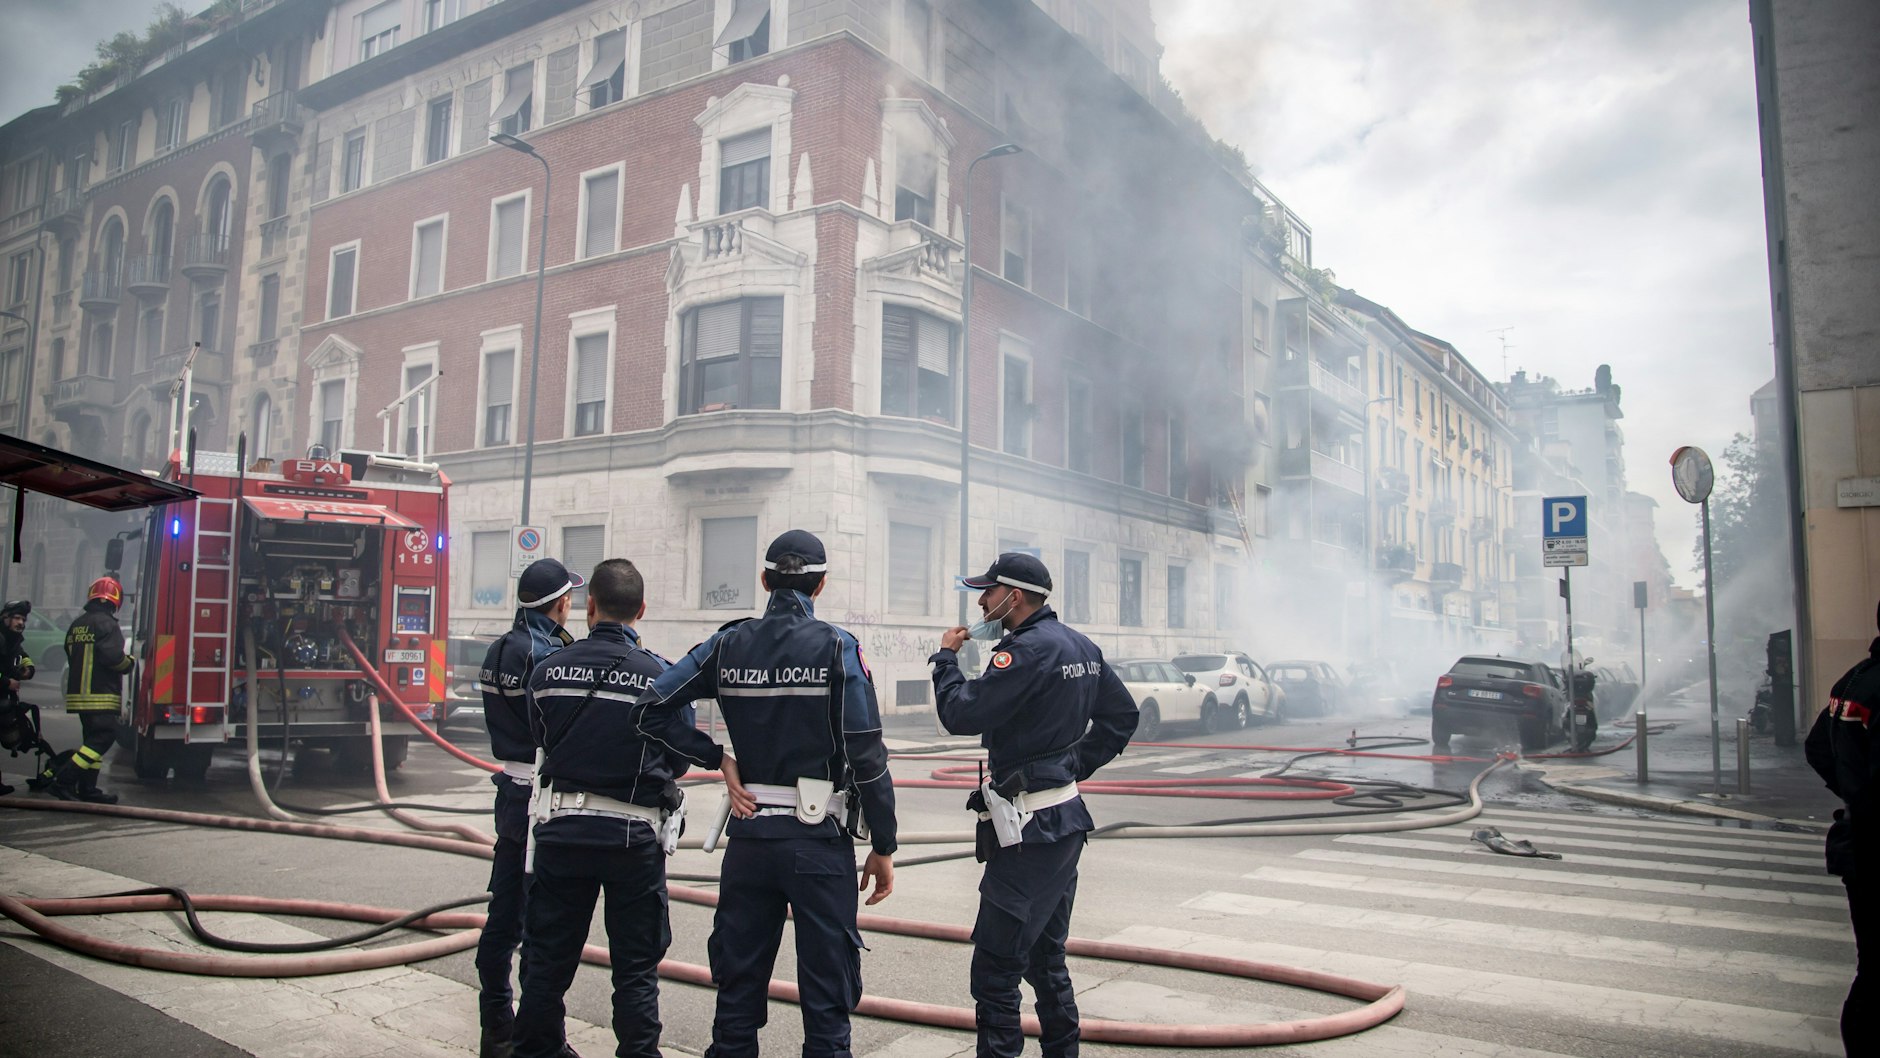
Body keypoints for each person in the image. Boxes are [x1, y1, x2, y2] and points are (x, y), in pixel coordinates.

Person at [633, 529, 897, 1058]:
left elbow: (651, 707)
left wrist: (717, 759)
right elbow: (867, 756)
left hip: (751, 837)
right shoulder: (837, 648)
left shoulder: (728, 643)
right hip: (819, 842)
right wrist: (884, 845)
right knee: (826, 1002)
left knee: (737, 991)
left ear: (764, 580)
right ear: (820, 585)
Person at [930, 552, 1137, 1058]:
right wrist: (1069, 767)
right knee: (1046, 957)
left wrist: (944, 660)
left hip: (1029, 832)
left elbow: (961, 714)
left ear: (1013, 597)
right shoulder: (1079, 645)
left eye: (988, 591)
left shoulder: (1022, 652)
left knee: (997, 972)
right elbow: (1121, 717)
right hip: (1062, 821)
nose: (981, 601)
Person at [513, 559, 687, 1058]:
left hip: (562, 833)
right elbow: (676, 759)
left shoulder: (547, 671)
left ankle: (537, 1050)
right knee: (635, 968)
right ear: (642, 610)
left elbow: (539, 738)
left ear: (589, 607)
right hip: (633, 840)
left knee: (546, 961)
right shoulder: (662, 678)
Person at [476, 558, 583, 1058]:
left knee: (504, 913)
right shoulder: (547, 654)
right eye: (570, 600)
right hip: (540, 796)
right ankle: (538, 1036)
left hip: (510, 791)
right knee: (542, 923)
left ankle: (496, 1021)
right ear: (559, 603)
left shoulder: (499, 649)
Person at [1806, 598, 1880, 1057]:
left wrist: (1850, 793)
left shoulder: (1854, 678)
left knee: (1871, 969)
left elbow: (1817, 747)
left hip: (1857, 842)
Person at [55, 577, 134, 804]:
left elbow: (71, 653)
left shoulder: (77, 624)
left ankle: (88, 787)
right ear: (115, 601)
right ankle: (64, 781)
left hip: (78, 696)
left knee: (92, 741)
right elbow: (113, 658)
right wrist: (128, 663)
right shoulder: (107, 624)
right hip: (100, 695)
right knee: (104, 737)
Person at [0, 599, 38, 795]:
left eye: (23, 619)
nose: (21, 622)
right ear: (6, 619)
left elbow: (22, 656)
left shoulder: (13, 640)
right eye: (17, 618)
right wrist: (7, 682)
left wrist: (28, 669)